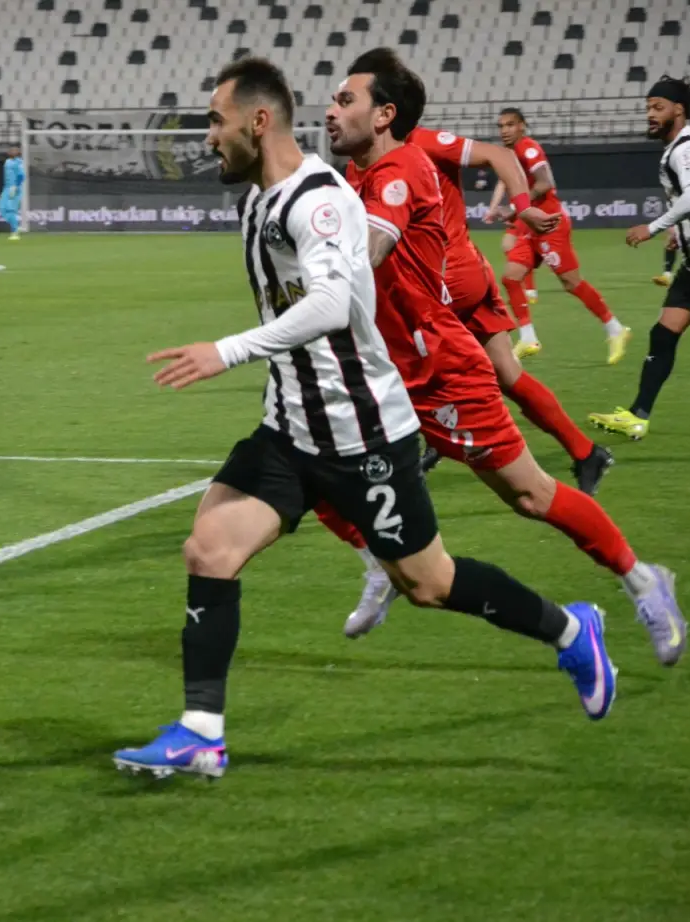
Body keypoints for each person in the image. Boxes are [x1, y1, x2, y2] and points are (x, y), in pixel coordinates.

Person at [111, 58, 618, 781]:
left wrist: (227, 351)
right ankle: (201, 733)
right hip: (291, 428)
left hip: (363, 432)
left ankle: (571, 630)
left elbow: (333, 305)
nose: (208, 137)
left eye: (217, 122)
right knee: (209, 550)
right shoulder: (259, 199)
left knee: (429, 584)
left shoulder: (317, 200)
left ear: (259, 121)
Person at [316, 49, 683, 667]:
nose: (330, 109)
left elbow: (373, 247)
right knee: (304, 458)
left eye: (344, 99)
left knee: (531, 496)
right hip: (382, 369)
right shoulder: (355, 174)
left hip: (439, 369)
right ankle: (379, 563)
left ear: (384, 114)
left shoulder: (402, 167)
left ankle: (644, 581)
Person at [406, 125, 612, 493]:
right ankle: (586, 452)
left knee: (396, 363)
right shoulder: (378, 156)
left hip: (446, 277)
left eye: (346, 101)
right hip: (467, 270)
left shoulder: (418, 142)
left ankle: (427, 445)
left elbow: (498, 156)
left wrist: (522, 207)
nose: (334, 112)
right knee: (507, 373)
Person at [590, 77, 690, 441]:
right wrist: (679, 230)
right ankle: (637, 416)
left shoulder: (686, 148)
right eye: (648, 108)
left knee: (663, 336)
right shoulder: (683, 145)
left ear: (679, 109)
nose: (650, 114)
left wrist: (654, 227)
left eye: (658, 107)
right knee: (662, 334)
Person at [488, 108, 630, 363]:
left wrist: (516, 208)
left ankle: (615, 328)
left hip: (550, 224)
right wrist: (512, 212)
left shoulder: (528, 148)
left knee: (571, 283)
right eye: (501, 126)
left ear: (522, 126)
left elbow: (545, 183)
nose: (504, 130)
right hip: (533, 226)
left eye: (510, 125)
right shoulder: (511, 154)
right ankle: (528, 338)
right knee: (511, 277)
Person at [0, 145, 24, 240]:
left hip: (13, 188)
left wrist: (15, 186)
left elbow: (21, 176)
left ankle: (15, 232)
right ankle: (16, 226)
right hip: (7, 187)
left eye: (14, 150)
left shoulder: (18, 162)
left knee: (10, 209)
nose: (11, 151)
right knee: (2, 208)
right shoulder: (8, 161)